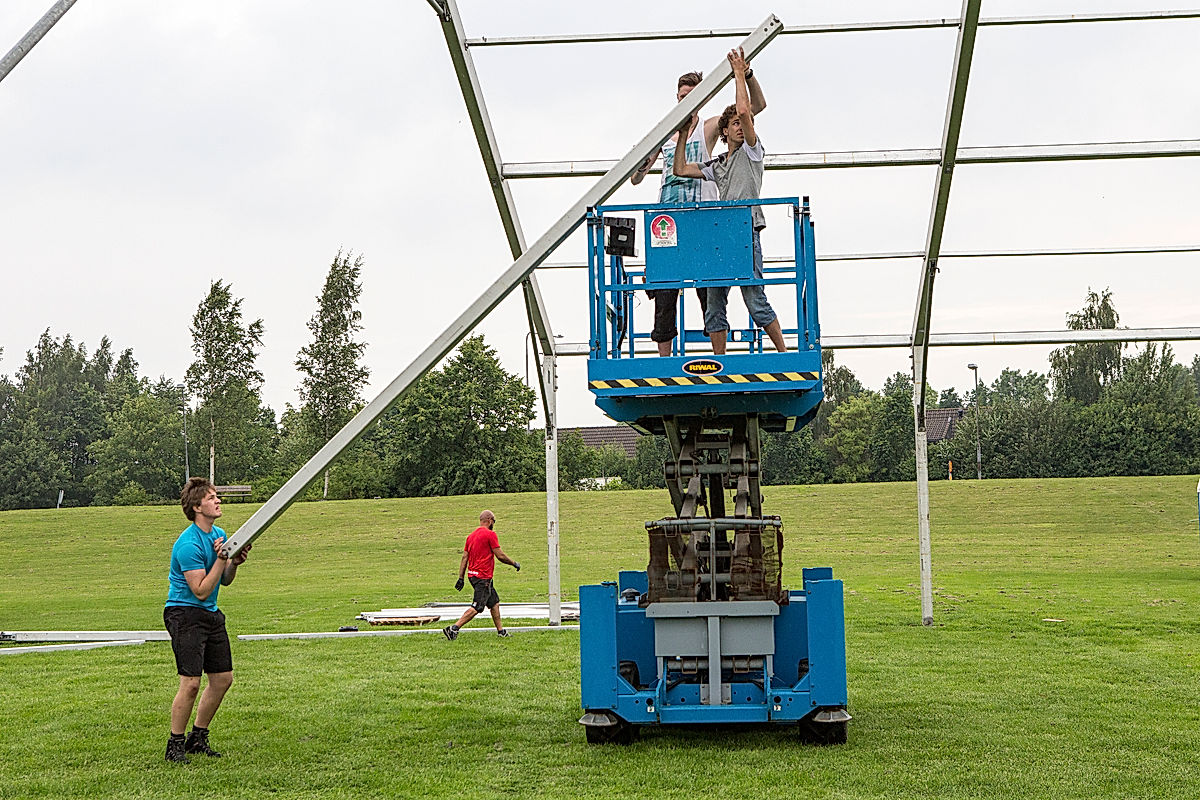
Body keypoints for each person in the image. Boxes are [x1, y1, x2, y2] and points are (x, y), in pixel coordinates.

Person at [632, 68, 767, 356]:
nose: (686, 102)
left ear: (702, 99)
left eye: (692, 97)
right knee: (664, 291)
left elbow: (753, 109)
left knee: (708, 288)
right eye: (682, 97)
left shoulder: (710, 126)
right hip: (667, 220)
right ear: (676, 98)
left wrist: (745, 75)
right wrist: (641, 163)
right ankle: (664, 362)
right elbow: (636, 177)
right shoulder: (664, 132)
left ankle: (719, 356)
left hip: (701, 216)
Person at [672, 47, 787, 356]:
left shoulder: (752, 151)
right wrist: (682, 134)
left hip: (746, 230)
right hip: (723, 234)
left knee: (755, 300)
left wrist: (741, 73)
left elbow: (748, 112)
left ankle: (783, 352)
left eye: (741, 123)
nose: (740, 125)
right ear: (724, 131)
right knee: (714, 302)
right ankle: (719, 361)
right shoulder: (719, 164)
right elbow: (680, 169)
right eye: (733, 123)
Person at [163, 477, 251, 763]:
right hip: (184, 614)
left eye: (216, 496)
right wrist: (221, 558)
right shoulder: (188, 544)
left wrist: (233, 563)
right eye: (212, 498)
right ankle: (175, 745)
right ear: (197, 507)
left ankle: (197, 738)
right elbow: (200, 590)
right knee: (190, 683)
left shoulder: (219, 534)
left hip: (210, 613)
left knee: (223, 679)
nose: (218, 501)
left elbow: (223, 581)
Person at [443, 510, 521, 640]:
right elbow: (500, 555)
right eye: (494, 522)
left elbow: (464, 558)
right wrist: (514, 563)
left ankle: (501, 632)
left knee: (494, 603)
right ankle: (453, 629)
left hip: (473, 576)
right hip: (483, 577)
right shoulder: (490, 534)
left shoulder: (470, 537)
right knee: (478, 606)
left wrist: (461, 578)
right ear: (489, 520)